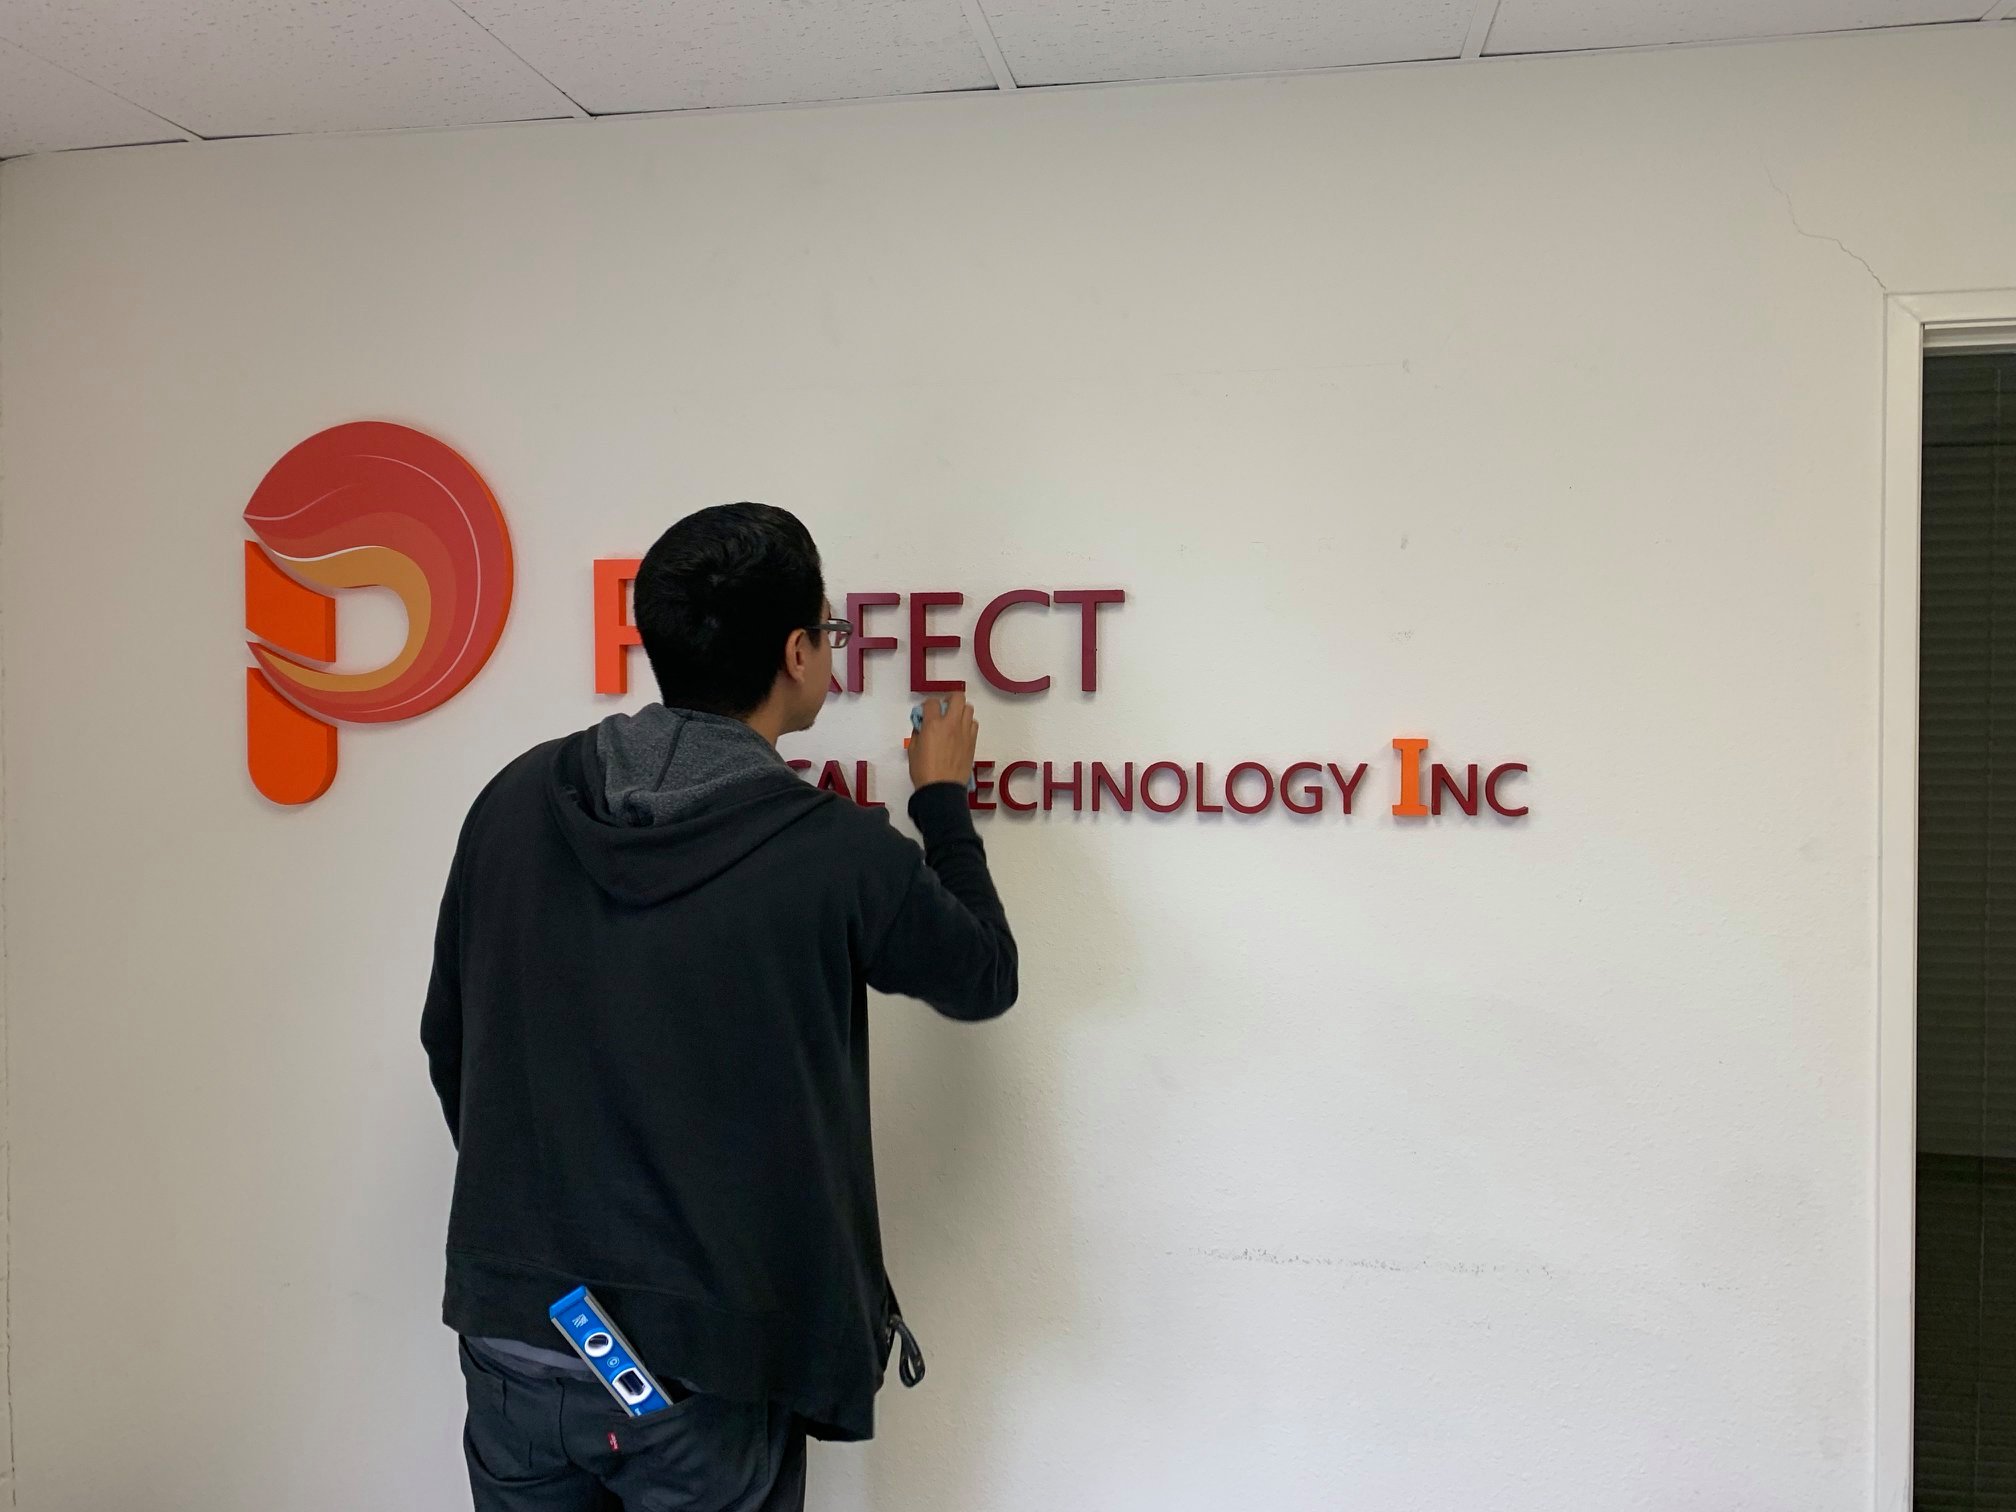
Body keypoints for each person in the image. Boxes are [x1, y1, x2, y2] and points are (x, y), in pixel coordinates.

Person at [420, 502, 1019, 1511]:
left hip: (518, 1333)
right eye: (827, 631)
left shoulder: (515, 800)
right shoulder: (835, 853)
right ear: (795, 653)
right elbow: (983, 972)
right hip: (700, 1372)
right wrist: (942, 800)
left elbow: (452, 1044)